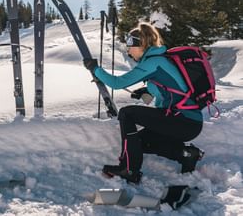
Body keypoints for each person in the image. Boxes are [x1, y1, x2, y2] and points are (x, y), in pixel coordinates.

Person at [83, 22, 204, 184]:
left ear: (142, 44)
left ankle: (129, 169)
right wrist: (146, 91)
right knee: (138, 143)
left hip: (183, 120)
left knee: (127, 113)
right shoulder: (158, 61)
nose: (128, 50)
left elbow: (117, 83)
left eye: (130, 45)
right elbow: (170, 88)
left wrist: (95, 69)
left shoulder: (154, 62)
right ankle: (186, 154)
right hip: (184, 121)